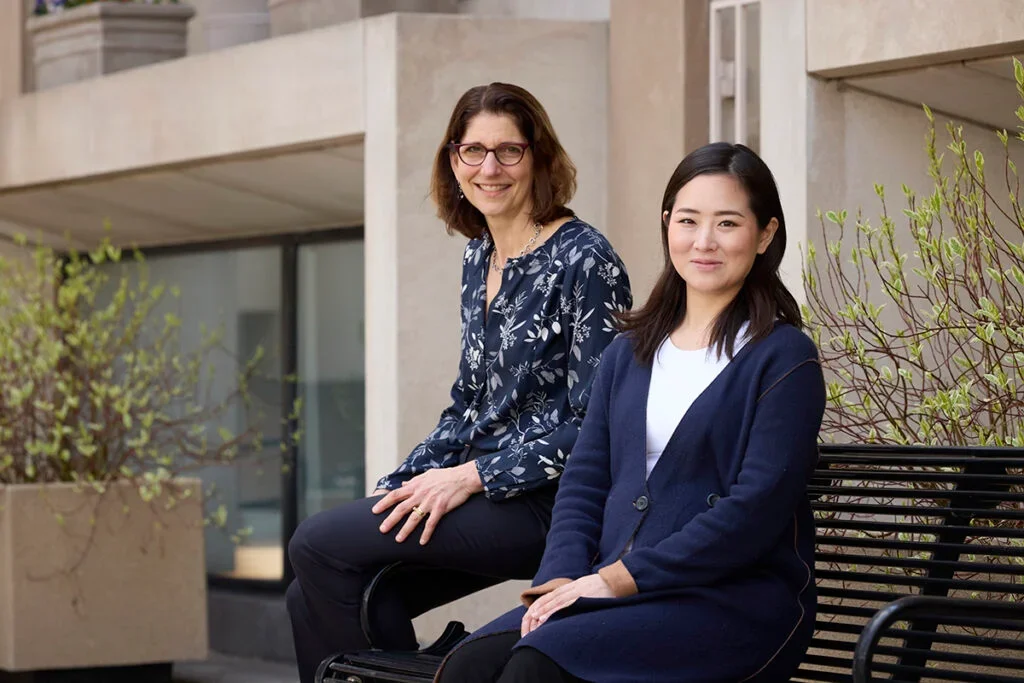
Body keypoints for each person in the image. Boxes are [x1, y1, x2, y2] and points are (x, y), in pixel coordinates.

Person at [436, 142, 826, 683]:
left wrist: (616, 579)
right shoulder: (630, 350)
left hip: (731, 600)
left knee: (537, 668)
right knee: (468, 667)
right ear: (667, 226)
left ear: (764, 235)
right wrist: (560, 578)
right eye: (688, 221)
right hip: (613, 586)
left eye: (728, 223)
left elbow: (755, 510)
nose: (704, 241)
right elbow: (585, 478)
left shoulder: (784, 358)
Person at [285, 82, 632, 683]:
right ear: (453, 160)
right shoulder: (480, 256)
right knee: (322, 592)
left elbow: (597, 421)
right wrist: (401, 484)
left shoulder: (586, 259)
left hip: (552, 505)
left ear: (539, 157)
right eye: (471, 151)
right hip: (483, 493)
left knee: (317, 544)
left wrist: (472, 476)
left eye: (508, 151)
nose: (488, 168)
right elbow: (467, 406)